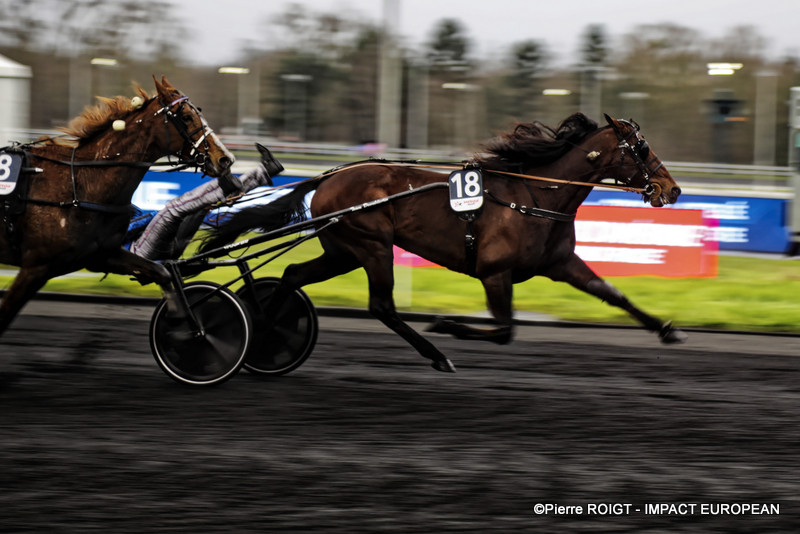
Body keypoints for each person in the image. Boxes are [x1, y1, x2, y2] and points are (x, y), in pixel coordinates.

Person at [129, 143, 284, 261]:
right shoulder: (108, 222)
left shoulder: (117, 209)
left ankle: (263, 172)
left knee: (198, 205)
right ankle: (225, 185)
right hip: (139, 254)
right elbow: (128, 228)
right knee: (173, 209)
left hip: (162, 245)